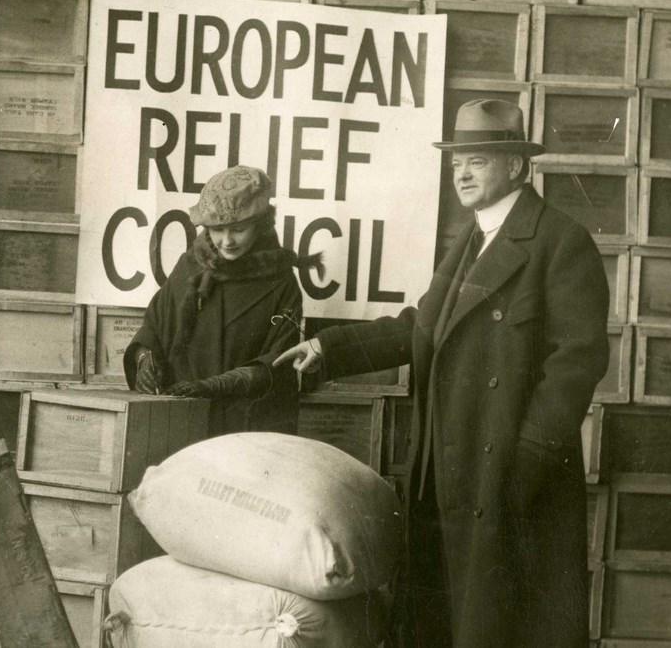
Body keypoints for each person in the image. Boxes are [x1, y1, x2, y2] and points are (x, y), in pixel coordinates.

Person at [274, 99, 609, 648]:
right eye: (457, 162)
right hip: (448, 470)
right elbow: (422, 326)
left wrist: (524, 462)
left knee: (507, 626)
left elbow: (577, 363)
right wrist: (328, 347)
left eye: (477, 161)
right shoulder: (474, 240)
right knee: (448, 620)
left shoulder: (559, 241)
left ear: (517, 168)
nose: (462, 173)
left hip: (506, 473)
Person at [125, 165, 308, 435]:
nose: (227, 241)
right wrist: (144, 361)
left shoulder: (282, 283)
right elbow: (154, 324)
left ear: (261, 223)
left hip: (245, 428)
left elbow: (277, 364)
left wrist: (211, 387)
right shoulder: (189, 267)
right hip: (181, 421)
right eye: (216, 230)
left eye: (238, 229)